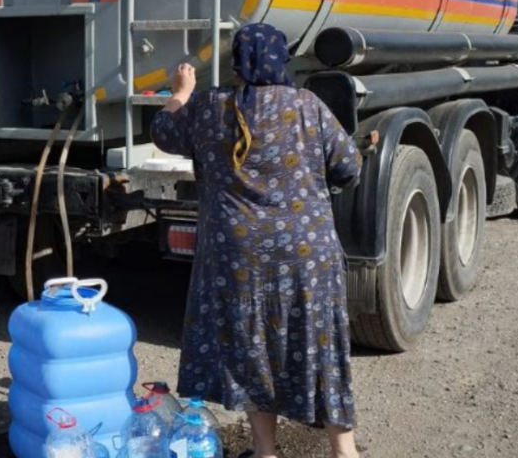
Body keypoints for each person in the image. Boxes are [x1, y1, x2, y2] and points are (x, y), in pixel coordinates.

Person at [151, 23, 362, 458]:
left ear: (236, 66)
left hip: (237, 258)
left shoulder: (209, 107)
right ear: (281, 61)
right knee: (319, 345)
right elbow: (348, 167)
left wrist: (181, 91)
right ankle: (345, 452)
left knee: (250, 349)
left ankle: (265, 452)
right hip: (308, 255)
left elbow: (162, 130)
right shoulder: (308, 106)